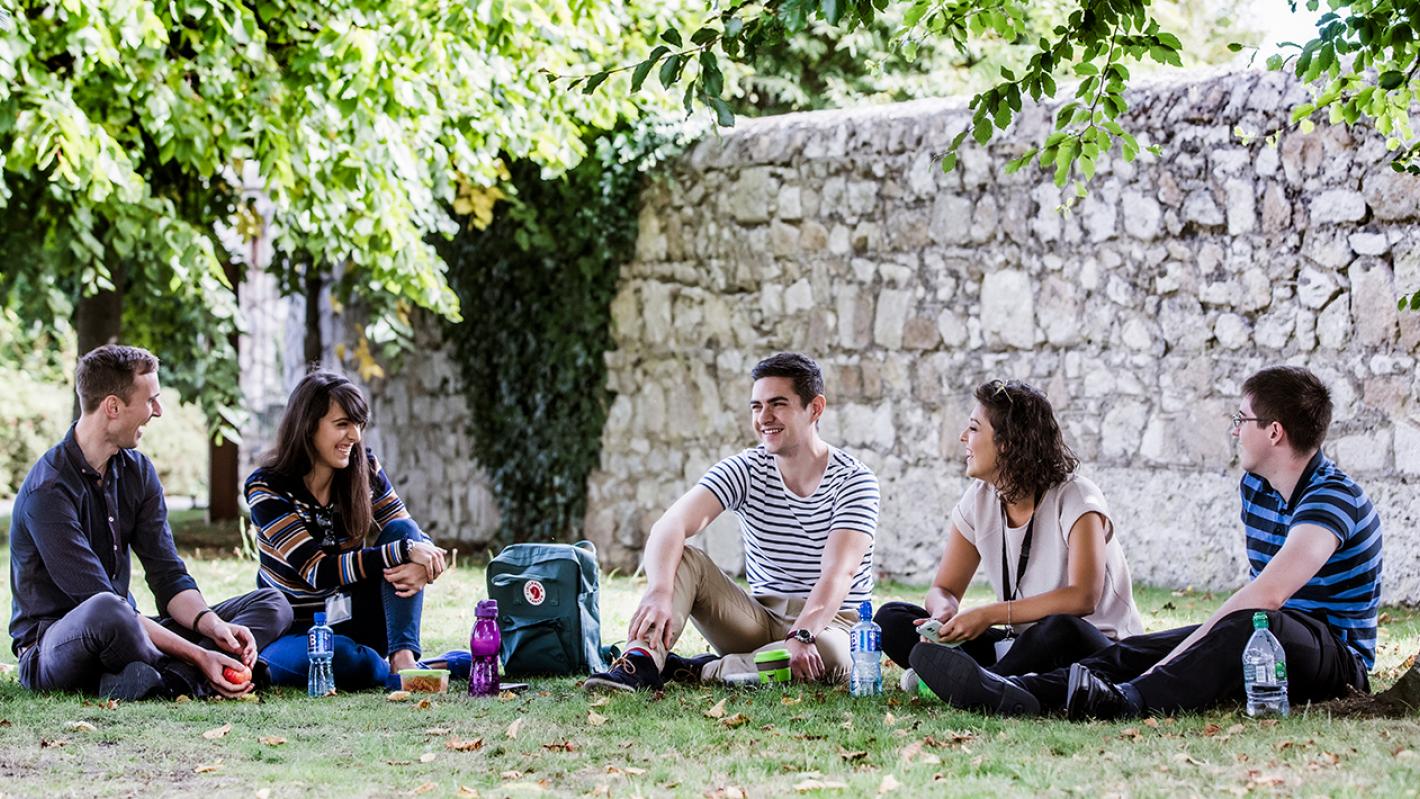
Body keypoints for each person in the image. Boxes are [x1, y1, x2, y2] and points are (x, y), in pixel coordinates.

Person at [913, 366, 1380, 718]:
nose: (1236, 429)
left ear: (1274, 431)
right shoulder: (1257, 488)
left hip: (1334, 656)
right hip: (1269, 633)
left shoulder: (1332, 498)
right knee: (1142, 648)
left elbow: (1269, 595)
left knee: (1243, 626)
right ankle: (1027, 691)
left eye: (1243, 419)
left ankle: (1129, 701)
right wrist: (1185, 644)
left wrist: (1194, 644)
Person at [8, 345, 292, 700]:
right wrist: (200, 653)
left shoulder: (138, 472)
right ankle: (190, 675)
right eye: (151, 400)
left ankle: (160, 678)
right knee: (108, 609)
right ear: (113, 407)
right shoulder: (48, 490)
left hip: (129, 629)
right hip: (55, 648)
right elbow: (101, 601)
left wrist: (213, 626)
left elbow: (167, 575)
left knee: (272, 603)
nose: (158, 411)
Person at [584, 352, 880, 692]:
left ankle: (702, 671)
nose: (764, 417)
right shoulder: (746, 469)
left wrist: (803, 633)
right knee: (685, 557)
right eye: (756, 406)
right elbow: (670, 525)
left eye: (777, 404)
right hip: (760, 619)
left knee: (833, 655)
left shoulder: (855, 480)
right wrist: (659, 591)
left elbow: (838, 573)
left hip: (832, 624)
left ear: (815, 408)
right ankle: (641, 663)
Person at [876, 379, 1143, 688]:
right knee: (892, 618)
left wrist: (989, 614)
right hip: (1020, 646)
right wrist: (943, 611)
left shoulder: (1076, 497)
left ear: (1007, 442)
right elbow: (944, 588)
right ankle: (988, 680)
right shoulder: (979, 499)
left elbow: (1083, 597)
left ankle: (980, 682)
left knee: (1060, 629)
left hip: (1093, 646)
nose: (963, 437)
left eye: (974, 429)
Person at [247, 370, 447, 690]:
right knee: (349, 661)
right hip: (294, 630)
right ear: (308, 426)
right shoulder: (267, 486)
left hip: (355, 616)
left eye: (358, 425)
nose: (354, 436)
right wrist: (406, 551)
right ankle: (419, 666)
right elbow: (317, 570)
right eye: (342, 424)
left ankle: (403, 660)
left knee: (404, 530)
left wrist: (426, 563)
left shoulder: (364, 468)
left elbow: (410, 535)